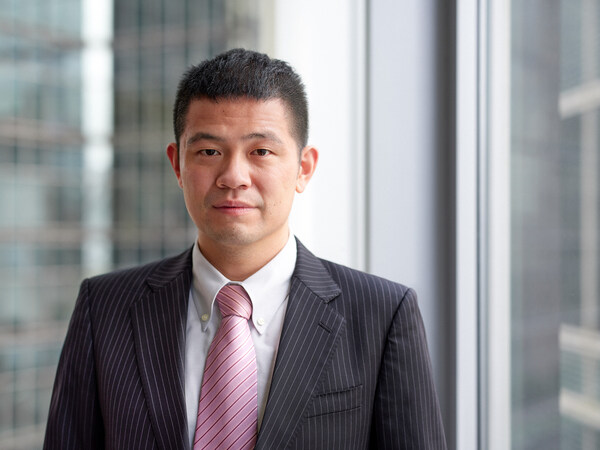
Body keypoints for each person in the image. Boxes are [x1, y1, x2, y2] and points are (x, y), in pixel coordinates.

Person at [44, 48, 447, 449]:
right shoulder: (104, 308)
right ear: (177, 165)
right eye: (209, 152)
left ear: (304, 168)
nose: (234, 176)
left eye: (261, 152)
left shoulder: (381, 315)